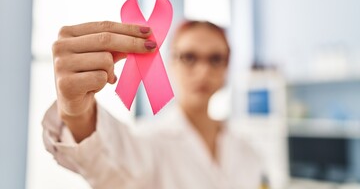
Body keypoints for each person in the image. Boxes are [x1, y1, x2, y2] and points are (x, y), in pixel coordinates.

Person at [42, 20, 263, 189]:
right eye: (189, 57)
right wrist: (77, 112)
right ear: (170, 62)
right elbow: (110, 165)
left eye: (215, 59)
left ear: (227, 68)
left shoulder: (247, 150)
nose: (203, 71)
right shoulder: (148, 140)